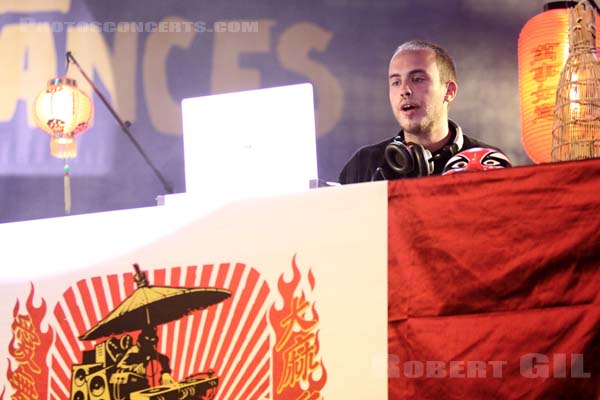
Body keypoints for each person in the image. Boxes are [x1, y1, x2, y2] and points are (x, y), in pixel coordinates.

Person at [338, 39, 503, 184]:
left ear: (449, 91)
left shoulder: (490, 162)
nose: (404, 90)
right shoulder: (365, 164)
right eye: (396, 82)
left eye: (417, 79)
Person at [112, 326, 175, 393]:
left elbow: (164, 359)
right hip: (129, 384)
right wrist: (132, 367)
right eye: (149, 343)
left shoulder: (149, 350)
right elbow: (119, 366)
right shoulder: (133, 351)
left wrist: (165, 372)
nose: (151, 346)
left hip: (142, 381)